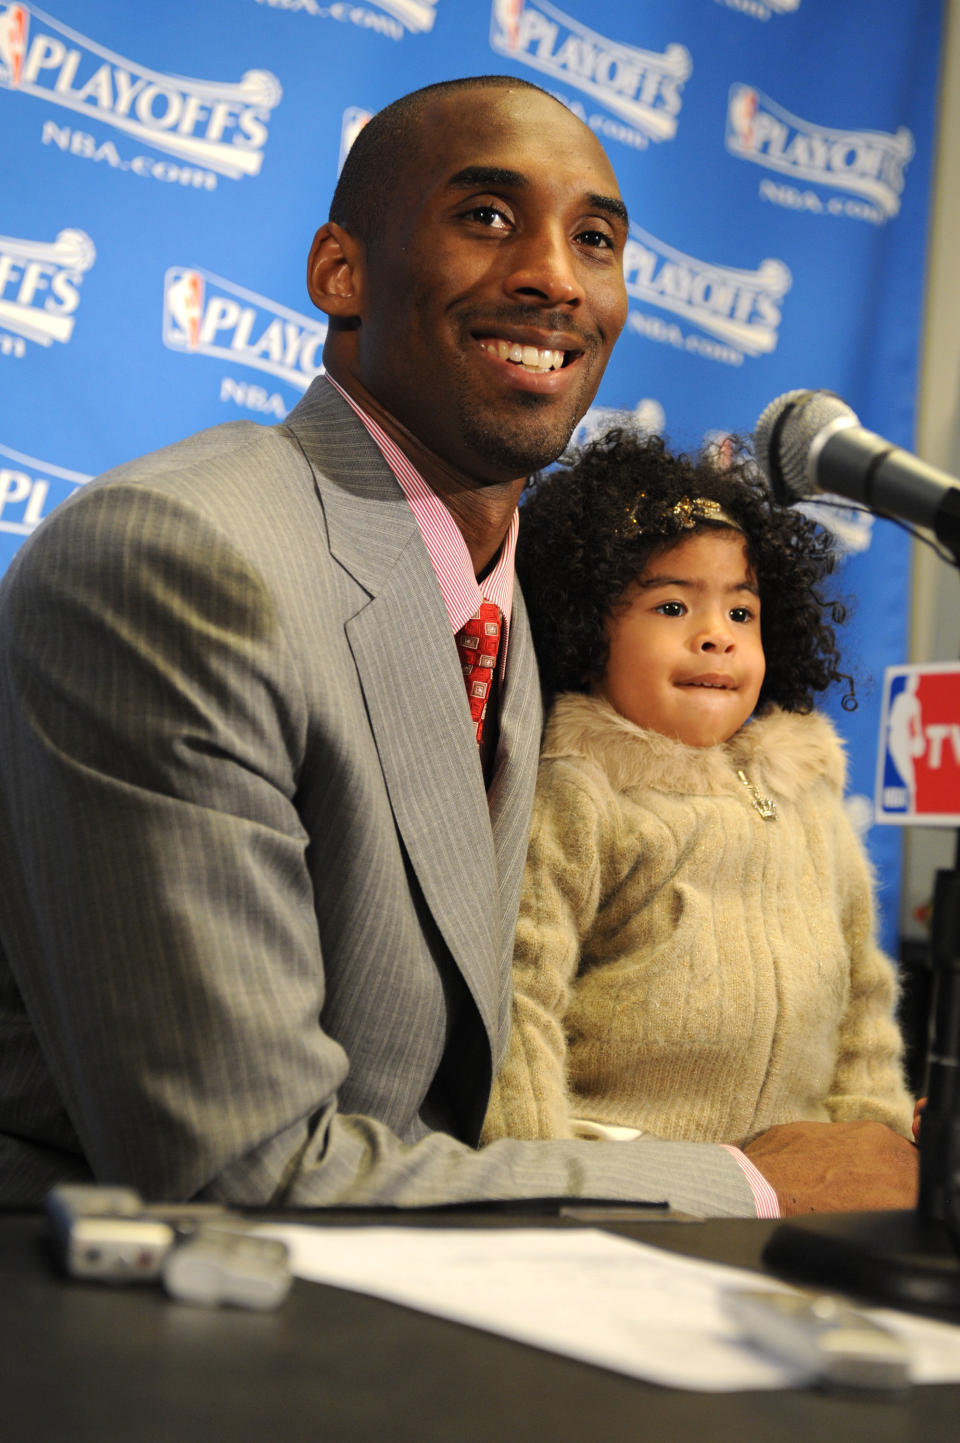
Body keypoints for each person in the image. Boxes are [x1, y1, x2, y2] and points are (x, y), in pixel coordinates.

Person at [0, 77, 916, 1217]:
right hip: (144, 1337)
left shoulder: (503, 596)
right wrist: (745, 1185)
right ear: (343, 271)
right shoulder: (182, 562)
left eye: (595, 240)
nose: (553, 276)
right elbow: (245, 1166)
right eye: (486, 216)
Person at [481, 429, 915, 1161]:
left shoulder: (809, 796)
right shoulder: (578, 794)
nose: (717, 636)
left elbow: (864, 1004)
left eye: (741, 612)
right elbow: (519, 1003)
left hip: (796, 1201)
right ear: (587, 630)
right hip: (621, 1187)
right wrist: (538, 1176)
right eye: (673, 607)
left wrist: (876, 1146)